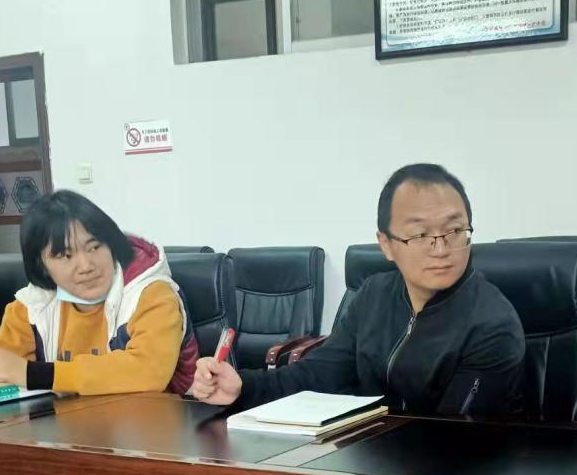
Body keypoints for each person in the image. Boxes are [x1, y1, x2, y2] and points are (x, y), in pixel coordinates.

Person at [192, 163, 525, 416]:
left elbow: (454, 435)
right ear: (386, 244)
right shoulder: (374, 295)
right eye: (420, 235)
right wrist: (242, 386)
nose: (441, 249)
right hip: (369, 459)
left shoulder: (491, 323)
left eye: (454, 231)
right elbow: (319, 373)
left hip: (449, 474)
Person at [0, 190, 198, 395]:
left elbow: (148, 371)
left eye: (94, 247)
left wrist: (35, 374)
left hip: (154, 433)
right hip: (70, 432)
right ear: (42, 265)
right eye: (65, 255)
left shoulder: (152, 293)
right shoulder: (34, 305)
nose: (86, 266)